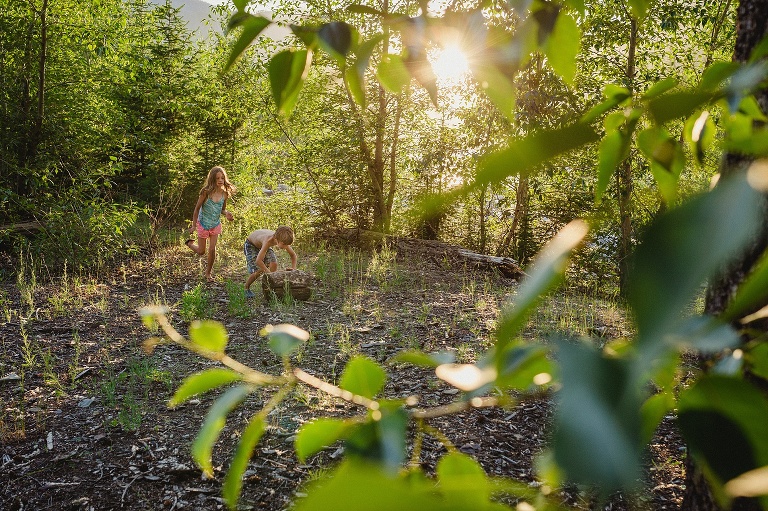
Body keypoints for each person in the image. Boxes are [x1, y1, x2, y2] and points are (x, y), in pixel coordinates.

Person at [185, 166, 236, 282]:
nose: (220, 180)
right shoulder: (206, 192)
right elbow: (197, 209)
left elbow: (222, 209)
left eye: (222, 178)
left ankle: (208, 273)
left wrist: (227, 213)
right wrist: (194, 225)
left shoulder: (225, 194)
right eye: (217, 178)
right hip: (203, 224)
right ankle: (189, 244)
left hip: (215, 224)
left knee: (212, 249)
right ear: (212, 179)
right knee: (201, 252)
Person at [244, 226, 297, 298]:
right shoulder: (268, 241)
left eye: (287, 245)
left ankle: (272, 286)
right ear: (277, 240)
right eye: (284, 245)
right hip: (251, 245)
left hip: (262, 245)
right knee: (259, 270)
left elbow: (293, 255)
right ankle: (246, 288)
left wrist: (293, 269)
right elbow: (258, 261)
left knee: (273, 263)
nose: (286, 247)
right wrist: (269, 273)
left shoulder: (283, 239)